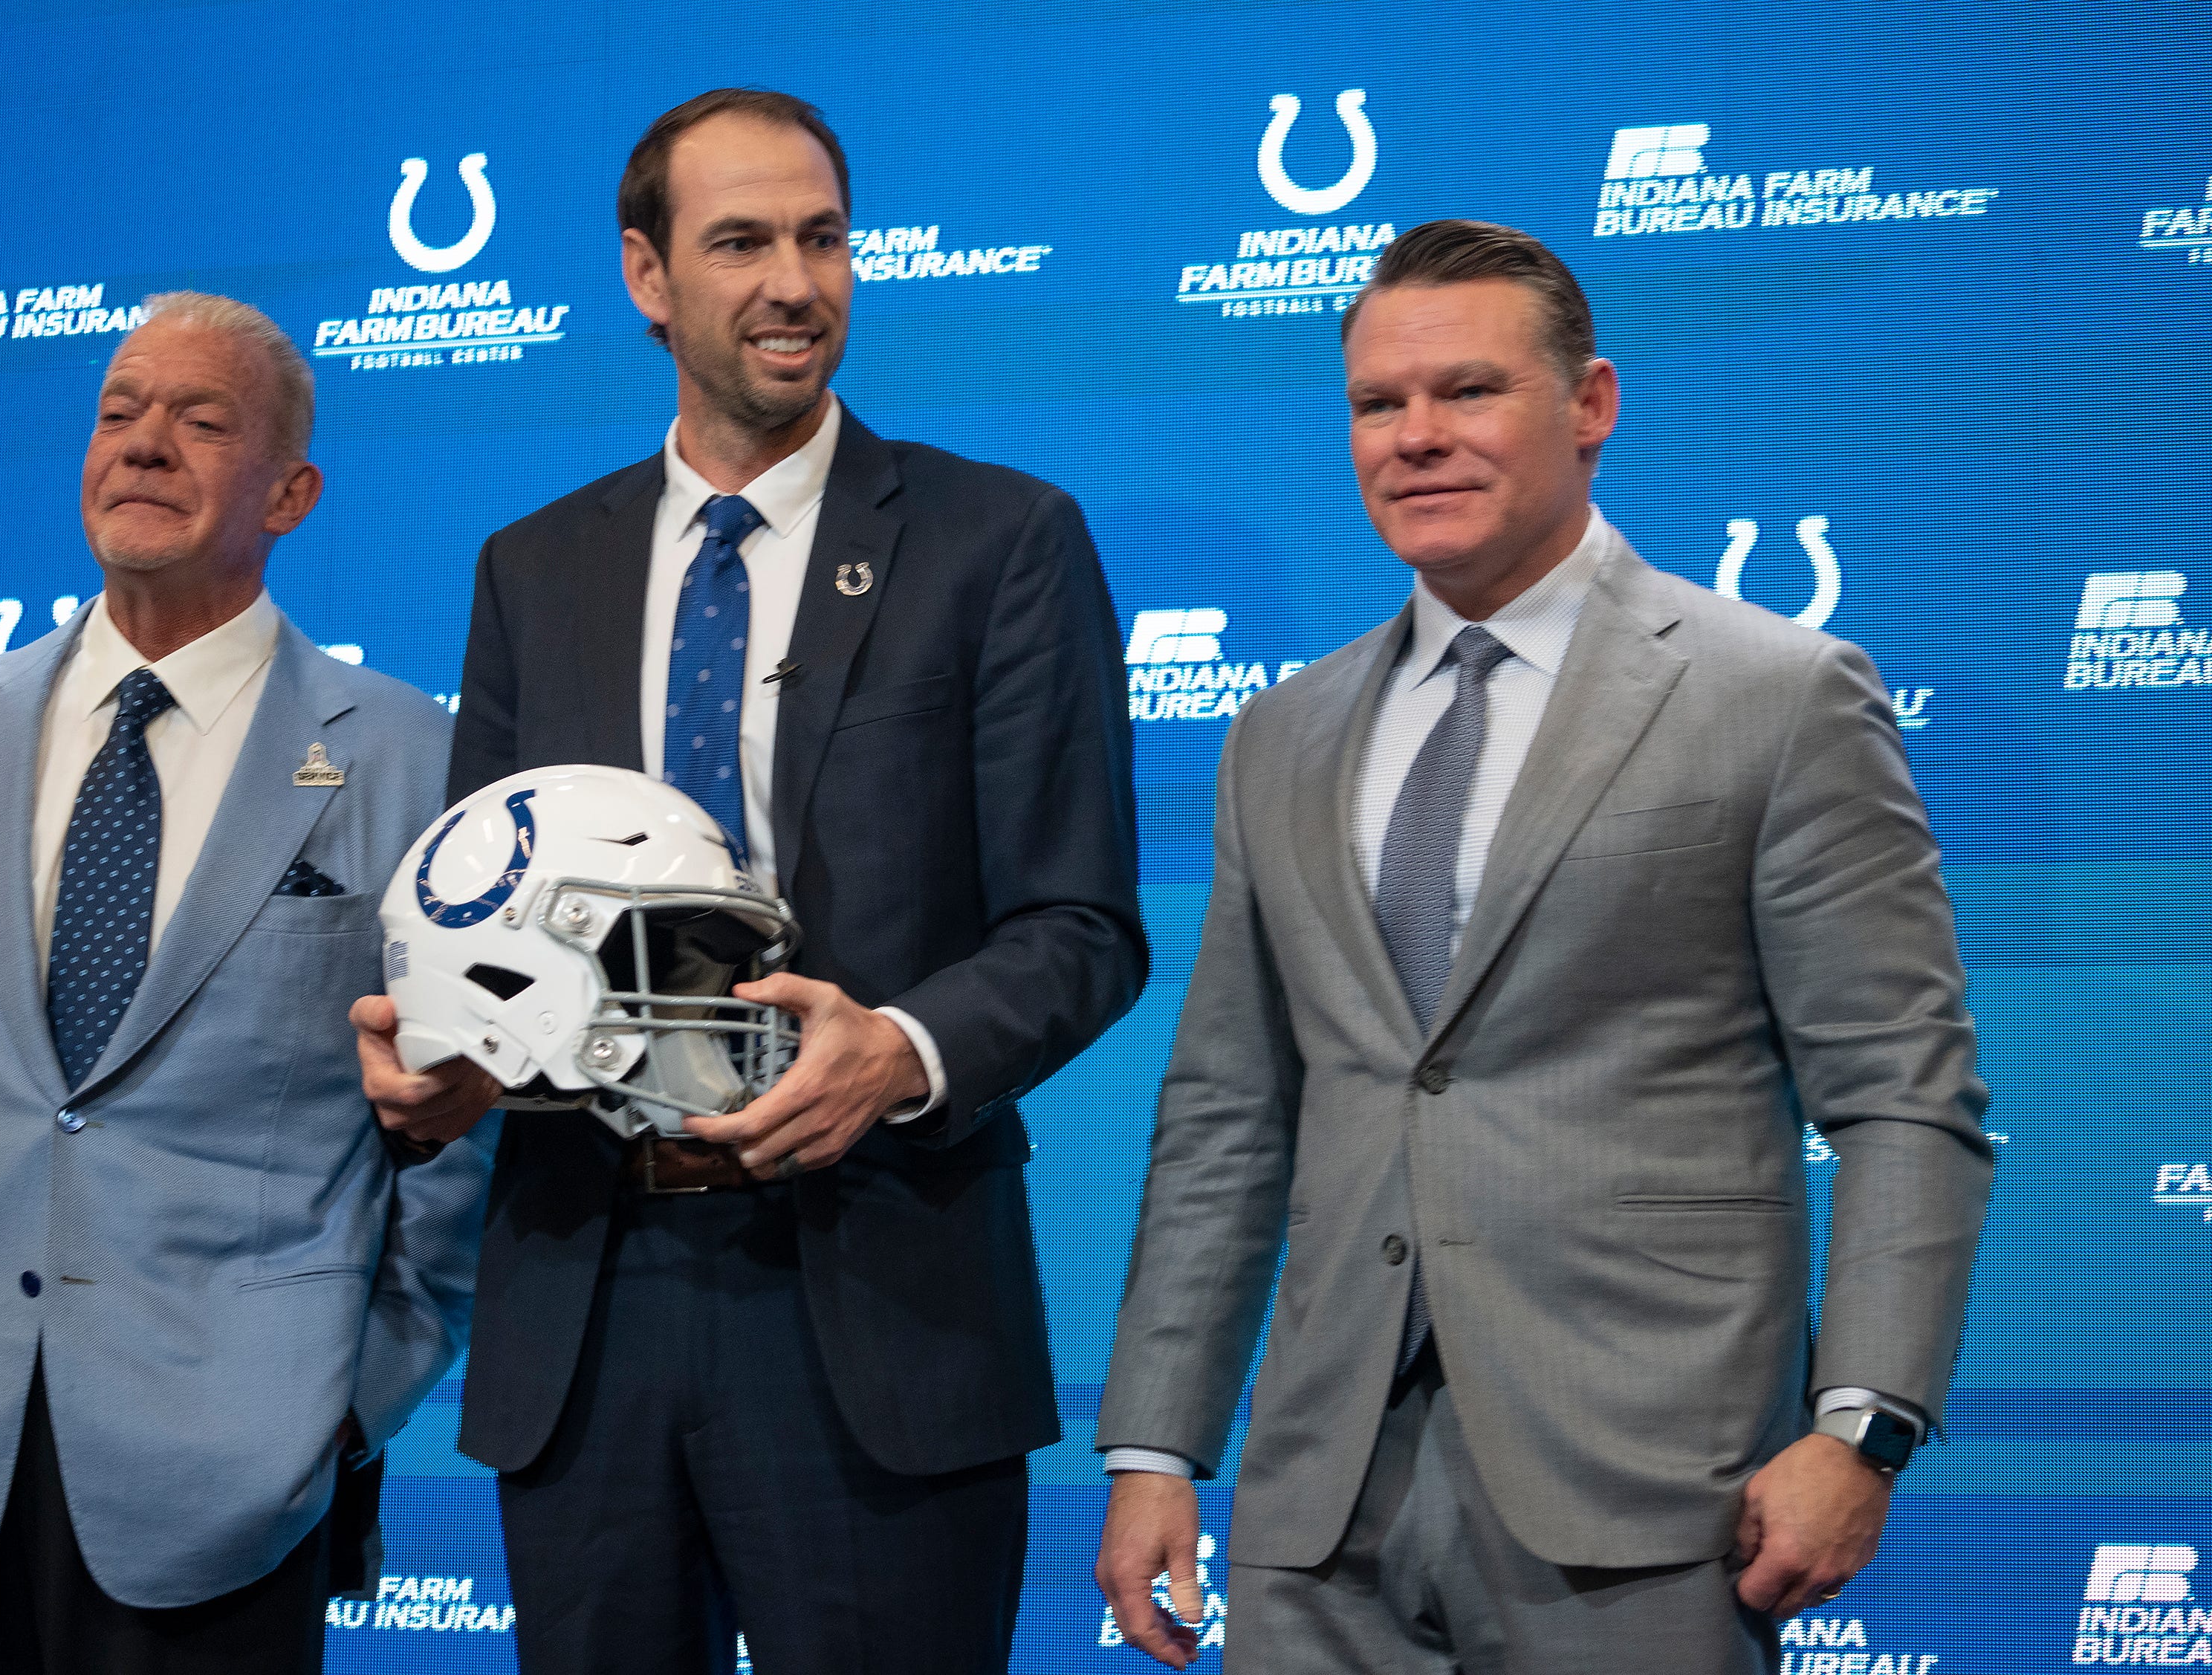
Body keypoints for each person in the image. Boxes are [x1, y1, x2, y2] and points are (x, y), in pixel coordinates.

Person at [1092, 221, 1993, 1673]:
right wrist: (1154, 1441)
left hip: (1653, 1495)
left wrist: (1862, 1426)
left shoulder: (1780, 694)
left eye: (1469, 391)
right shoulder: (1282, 733)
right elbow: (1227, 1115)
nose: (1417, 437)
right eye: (1379, 405)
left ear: (1591, 405)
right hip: (1318, 1503)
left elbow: (1903, 1096)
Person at [353, 87, 1146, 1675]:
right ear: (647, 276)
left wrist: (901, 1052)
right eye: (742, 242)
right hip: (588, 1300)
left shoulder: (1002, 541)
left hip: (876, 1292)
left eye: (822, 237)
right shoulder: (535, 568)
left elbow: (1081, 924)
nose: (796, 280)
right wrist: (438, 1061)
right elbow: (474, 900)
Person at [0, 292, 491, 1674]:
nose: (144, 446)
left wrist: (345, 1400)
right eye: (120, 412)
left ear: (292, 493)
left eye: (202, 422)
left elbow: (456, 1133)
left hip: (228, 1488)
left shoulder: (412, 758)